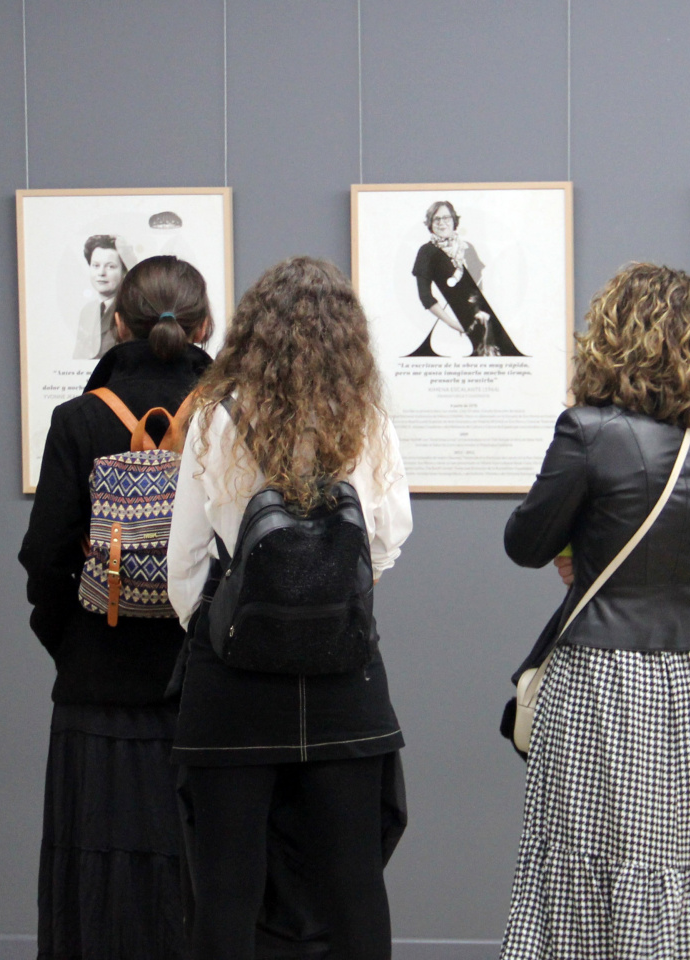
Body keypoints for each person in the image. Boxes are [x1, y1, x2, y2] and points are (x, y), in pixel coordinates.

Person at [500, 263, 690, 959]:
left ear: (611, 337)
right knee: (685, 859)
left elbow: (524, 543)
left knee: (589, 861)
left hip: (605, 680)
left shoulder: (587, 432)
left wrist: (580, 548)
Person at [166, 256, 411, 959]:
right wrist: (326, 593)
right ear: (346, 335)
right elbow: (389, 538)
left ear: (252, 331)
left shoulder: (214, 417)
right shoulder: (364, 419)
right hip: (343, 676)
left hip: (233, 681)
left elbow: (185, 563)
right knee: (354, 885)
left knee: (225, 890)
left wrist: (220, 624)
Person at [19, 255, 213, 960]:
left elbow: (45, 557)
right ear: (204, 327)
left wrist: (74, 642)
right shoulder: (229, 419)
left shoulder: (77, 420)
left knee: (96, 880)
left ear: (118, 325)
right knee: (202, 874)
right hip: (204, 689)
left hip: (96, 691)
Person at [406, 200, 524, 357]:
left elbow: (479, 289)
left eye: (446, 218)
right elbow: (425, 297)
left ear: (454, 220)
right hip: (452, 327)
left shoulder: (467, 248)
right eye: (436, 219)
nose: (442, 223)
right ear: (430, 223)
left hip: (481, 320)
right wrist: (454, 324)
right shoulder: (426, 252)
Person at [74, 234, 129, 359]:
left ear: (124, 271)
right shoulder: (87, 311)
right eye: (96, 265)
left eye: (110, 266)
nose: (101, 273)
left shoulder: (129, 311)